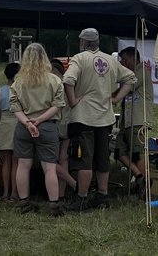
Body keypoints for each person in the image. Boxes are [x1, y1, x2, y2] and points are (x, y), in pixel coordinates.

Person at [63, 28, 136, 212]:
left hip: (83, 117)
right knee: (103, 159)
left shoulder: (79, 59)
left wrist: (72, 101)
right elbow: (130, 77)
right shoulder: (110, 60)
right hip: (105, 118)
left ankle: (82, 198)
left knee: (84, 160)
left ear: (83, 42)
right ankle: (102, 196)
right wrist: (116, 98)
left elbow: (68, 79)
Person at [10, 43, 65, 217]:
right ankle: (54, 205)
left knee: (23, 165)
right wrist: (39, 120)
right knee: (49, 167)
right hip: (47, 126)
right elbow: (58, 105)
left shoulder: (18, 82)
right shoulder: (54, 80)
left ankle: (23, 202)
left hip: (24, 126)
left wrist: (28, 123)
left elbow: (14, 106)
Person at [114, 47, 153, 198]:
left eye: (125, 59)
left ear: (133, 57)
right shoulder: (129, 73)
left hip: (138, 119)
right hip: (127, 121)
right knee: (119, 151)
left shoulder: (141, 71)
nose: (123, 63)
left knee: (138, 154)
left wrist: (113, 95)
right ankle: (140, 177)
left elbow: (129, 85)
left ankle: (143, 188)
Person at [50, 58, 77, 203]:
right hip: (68, 124)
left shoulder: (54, 84)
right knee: (63, 158)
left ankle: (73, 184)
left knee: (48, 159)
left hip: (55, 124)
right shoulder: (69, 84)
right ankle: (62, 194)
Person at [0, 62, 20, 202]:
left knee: (5, 160)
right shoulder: (20, 89)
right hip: (17, 122)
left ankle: (5, 192)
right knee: (16, 161)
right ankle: (15, 192)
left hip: (4, 123)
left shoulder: (0, 91)